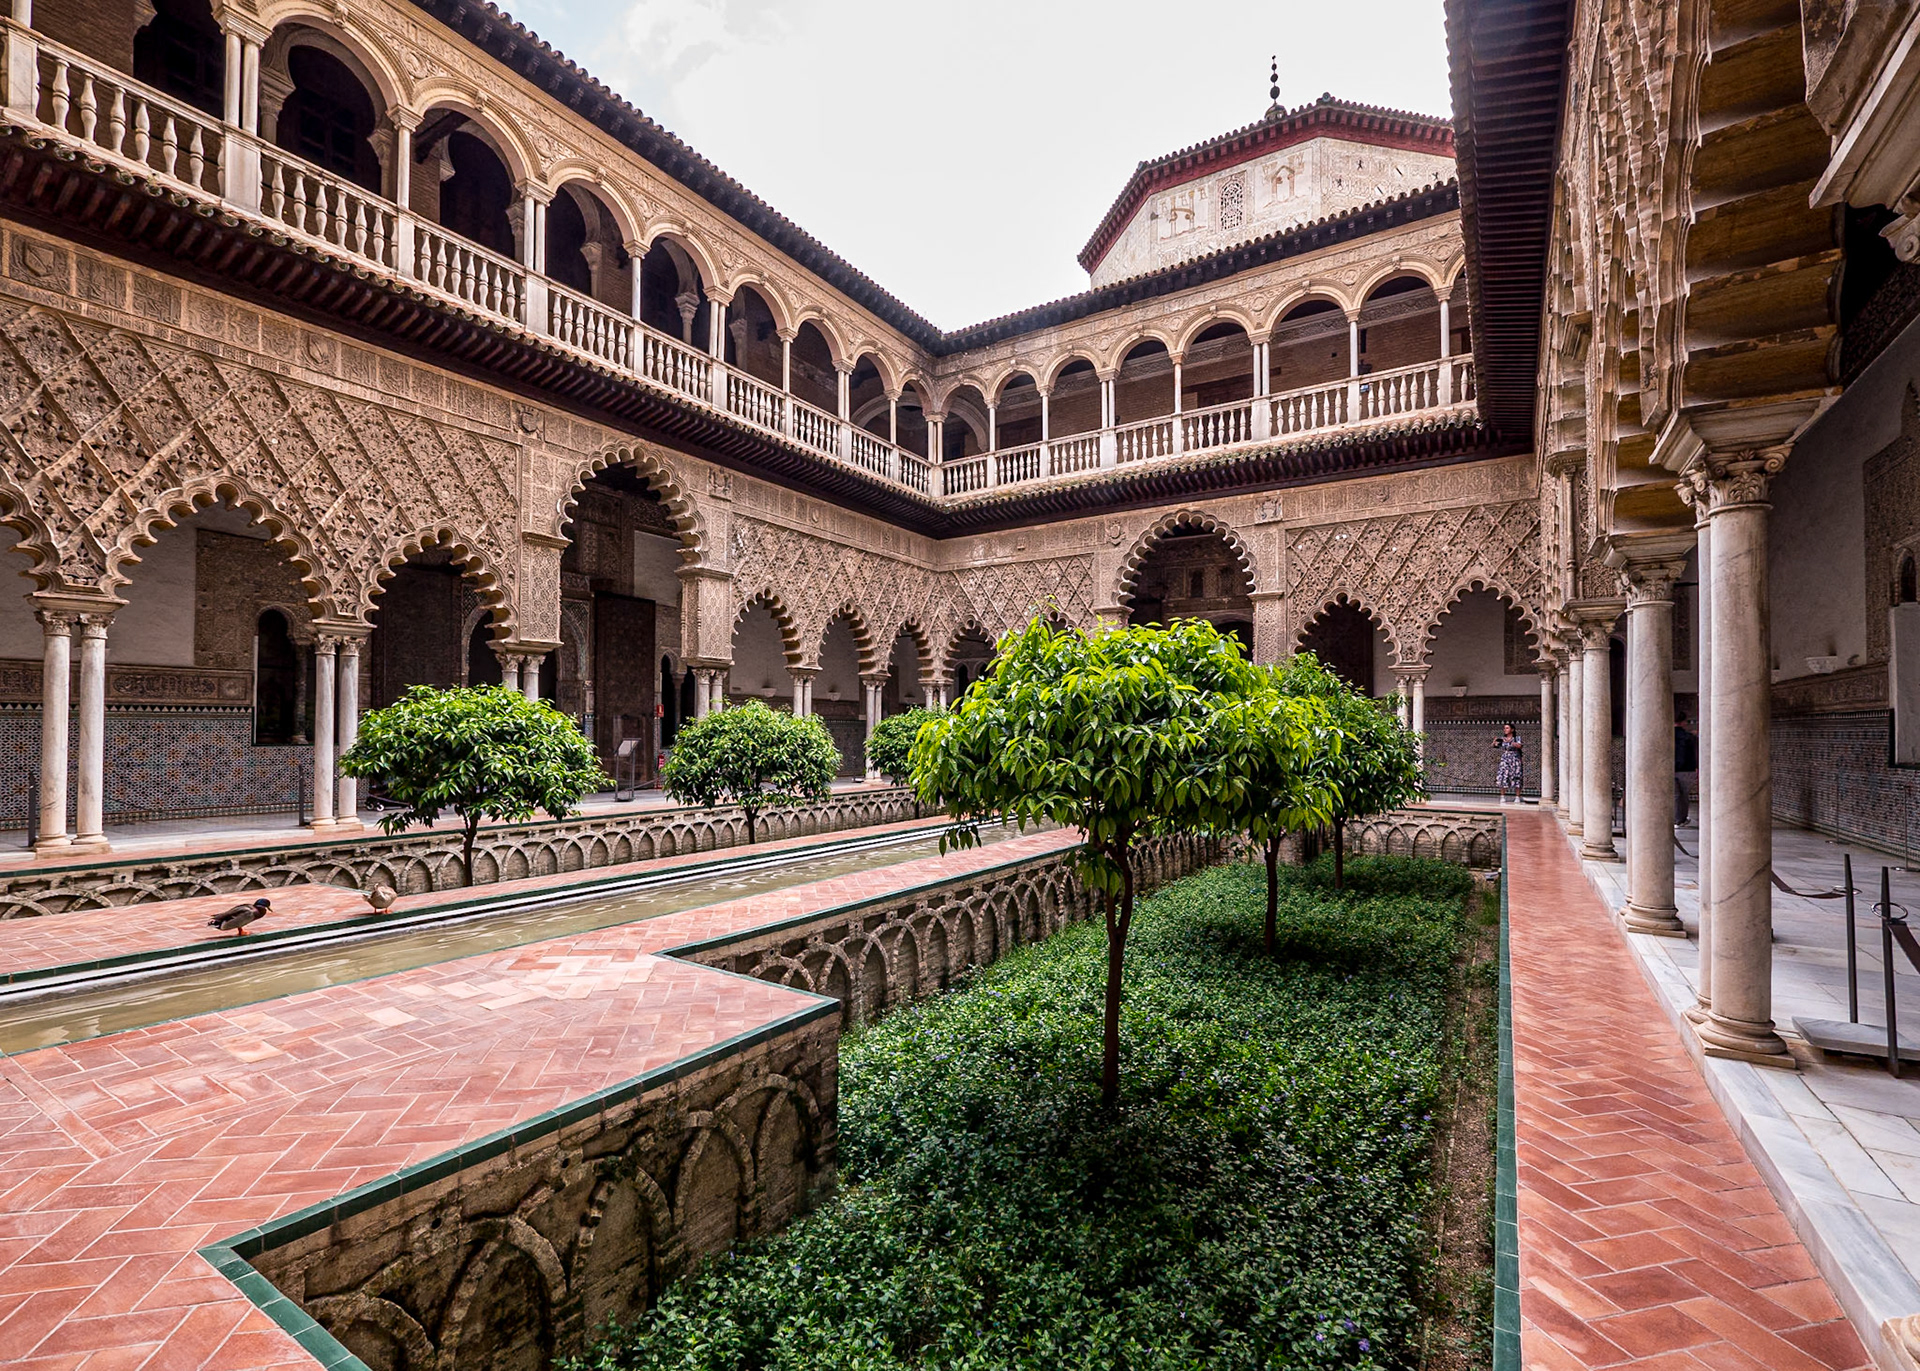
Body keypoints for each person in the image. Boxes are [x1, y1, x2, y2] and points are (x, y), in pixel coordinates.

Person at [1674, 715, 1699, 825]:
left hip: (1669, 768)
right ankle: (1681, 819)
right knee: (1684, 796)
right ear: (1683, 722)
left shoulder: (1665, 735)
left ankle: (1674, 818)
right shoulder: (1690, 737)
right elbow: (1696, 753)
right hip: (1688, 769)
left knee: (1674, 795)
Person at [1493, 723, 1525, 803]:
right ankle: (1502, 796)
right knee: (1503, 775)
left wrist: (1510, 742)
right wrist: (1494, 743)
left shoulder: (1517, 738)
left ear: (1512, 730)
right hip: (1505, 759)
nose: (1505, 730)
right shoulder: (1502, 739)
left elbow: (1519, 746)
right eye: (1504, 728)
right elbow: (1496, 745)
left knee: (1516, 776)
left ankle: (1517, 797)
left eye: (1507, 728)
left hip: (1515, 759)